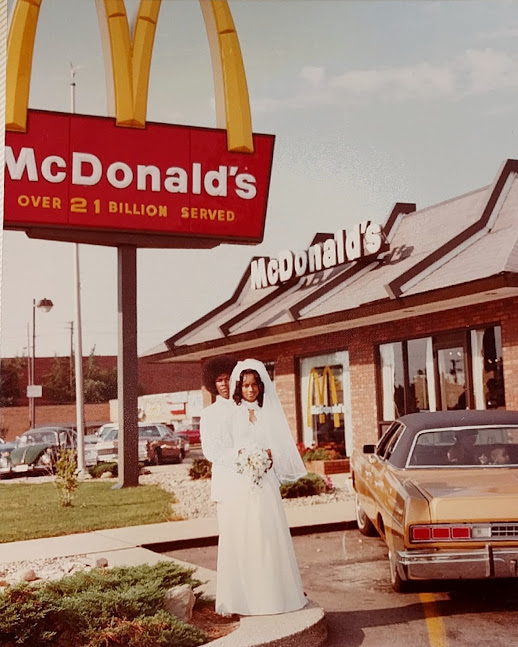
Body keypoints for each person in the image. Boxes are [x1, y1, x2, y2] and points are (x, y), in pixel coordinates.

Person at [214, 358, 308, 617]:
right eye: (245, 385)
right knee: (244, 536)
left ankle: (275, 596)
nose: (251, 390)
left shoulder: (268, 412)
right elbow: (223, 448)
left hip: (265, 483)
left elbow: (280, 445)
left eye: (254, 385)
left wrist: (268, 455)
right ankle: (245, 598)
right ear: (238, 387)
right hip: (240, 484)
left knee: (268, 536)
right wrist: (242, 455)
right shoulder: (232, 414)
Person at [199, 355, 238, 505]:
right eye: (219, 380)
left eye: (227, 379)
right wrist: (239, 458)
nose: (224, 384)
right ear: (212, 384)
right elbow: (210, 451)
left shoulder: (247, 408)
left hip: (250, 477)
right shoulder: (209, 414)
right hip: (225, 476)